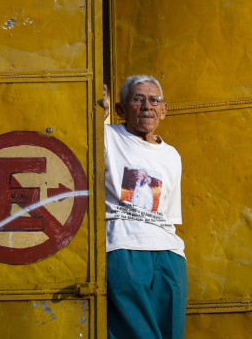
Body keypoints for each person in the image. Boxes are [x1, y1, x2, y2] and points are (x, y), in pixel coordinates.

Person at [99, 75, 186, 339]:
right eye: (137, 99)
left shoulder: (171, 154)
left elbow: (169, 212)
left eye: (154, 100)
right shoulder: (108, 136)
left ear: (164, 109)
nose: (147, 106)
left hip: (169, 253)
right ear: (121, 109)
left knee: (170, 333)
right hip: (125, 247)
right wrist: (97, 110)